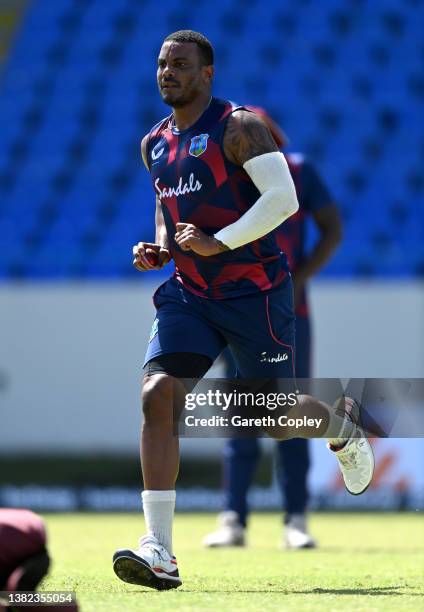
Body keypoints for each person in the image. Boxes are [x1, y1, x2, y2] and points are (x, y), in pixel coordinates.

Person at [112, 30, 374, 591]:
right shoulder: (153, 143)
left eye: (180, 64)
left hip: (254, 292)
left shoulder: (240, 127)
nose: (167, 72)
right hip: (191, 293)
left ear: (207, 74)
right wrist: (159, 244)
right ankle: (158, 548)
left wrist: (222, 241)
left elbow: (284, 200)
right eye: (161, 64)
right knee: (158, 395)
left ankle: (339, 424)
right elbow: (168, 206)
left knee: (271, 420)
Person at [203, 107, 342, 550]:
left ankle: (296, 519)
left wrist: (300, 278)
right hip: (236, 310)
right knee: (242, 415)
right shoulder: (223, 180)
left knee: (292, 412)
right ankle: (233, 520)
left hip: (287, 313)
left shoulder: (297, 171)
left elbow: (332, 229)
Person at [0, 508, 78, 612]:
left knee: (18, 599)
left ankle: (67, 605)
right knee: (15, 598)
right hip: (28, 526)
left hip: (24, 543)